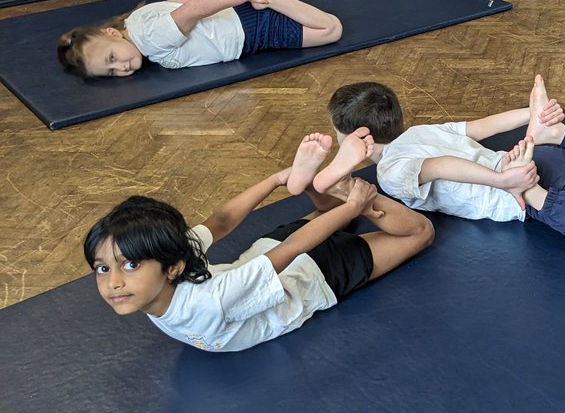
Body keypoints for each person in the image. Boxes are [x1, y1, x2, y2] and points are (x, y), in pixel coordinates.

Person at [84, 133, 434, 351]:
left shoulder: (210, 302)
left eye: (130, 265)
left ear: (173, 267)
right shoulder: (169, 254)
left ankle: (341, 186)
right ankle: (317, 183)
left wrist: (357, 205)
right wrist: (277, 180)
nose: (113, 282)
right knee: (332, 213)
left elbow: (294, 248)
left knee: (420, 232)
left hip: (317, 273)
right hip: (271, 250)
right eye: (103, 267)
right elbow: (221, 222)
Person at [322, 75, 565, 255]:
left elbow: (440, 165)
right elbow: (483, 126)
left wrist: (507, 182)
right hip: (536, 158)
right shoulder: (418, 132)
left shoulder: (389, 171)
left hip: (524, 194)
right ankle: (557, 133)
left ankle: (542, 159)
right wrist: (531, 116)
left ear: (358, 135)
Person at [57, 0, 342, 79]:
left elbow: (194, 8)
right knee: (326, 29)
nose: (122, 68)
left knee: (331, 29)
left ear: (112, 34)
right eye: (112, 72)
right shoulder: (134, 21)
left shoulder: (150, 39)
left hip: (251, 32)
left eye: (112, 58)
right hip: (239, 22)